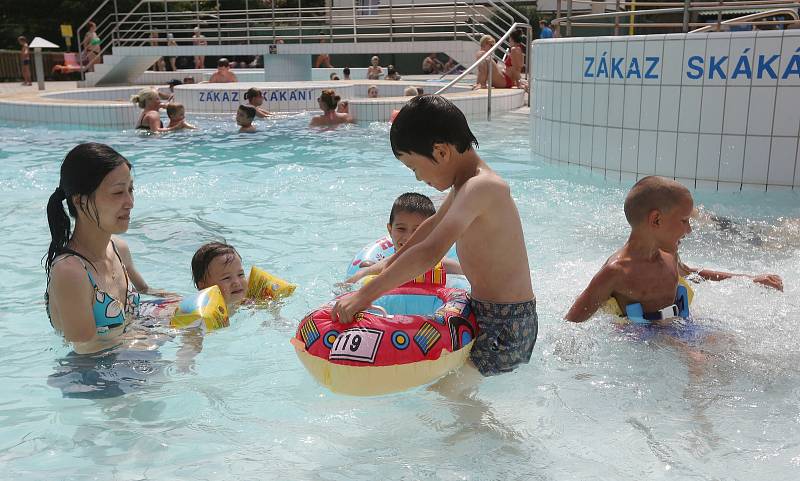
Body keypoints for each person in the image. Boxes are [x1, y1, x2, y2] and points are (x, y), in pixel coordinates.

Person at [332, 95, 538, 377]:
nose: (417, 178)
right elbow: (429, 229)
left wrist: (364, 297)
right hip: (484, 310)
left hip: (508, 323)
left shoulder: (482, 186)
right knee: (446, 387)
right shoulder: (464, 186)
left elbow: (431, 252)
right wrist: (384, 265)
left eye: (414, 167)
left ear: (440, 152)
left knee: (450, 394)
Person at [44, 143, 140, 354]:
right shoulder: (70, 271)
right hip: (89, 380)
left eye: (130, 190)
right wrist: (156, 334)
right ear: (80, 201)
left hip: (131, 362)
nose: (130, 202)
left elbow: (149, 292)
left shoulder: (118, 249)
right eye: (118, 193)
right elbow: (85, 347)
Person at [565, 176, 695, 323]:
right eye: (684, 220)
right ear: (656, 220)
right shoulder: (617, 272)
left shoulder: (670, 256)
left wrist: (726, 277)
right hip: (643, 340)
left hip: (678, 327)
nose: (689, 230)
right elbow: (572, 323)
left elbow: (692, 274)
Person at [346, 192, 463, 283]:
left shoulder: (443, 264)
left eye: (418, 230)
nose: (409, 238)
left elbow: (469, 276)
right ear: (390, 229)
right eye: (401, 229)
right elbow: (350, 284)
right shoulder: (384, 265)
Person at [191, 242, 247, 311]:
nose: (237, 282)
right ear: (203, 286)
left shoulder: (250, 303)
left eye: (240, 274)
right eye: (226, 278)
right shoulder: (203, 314)